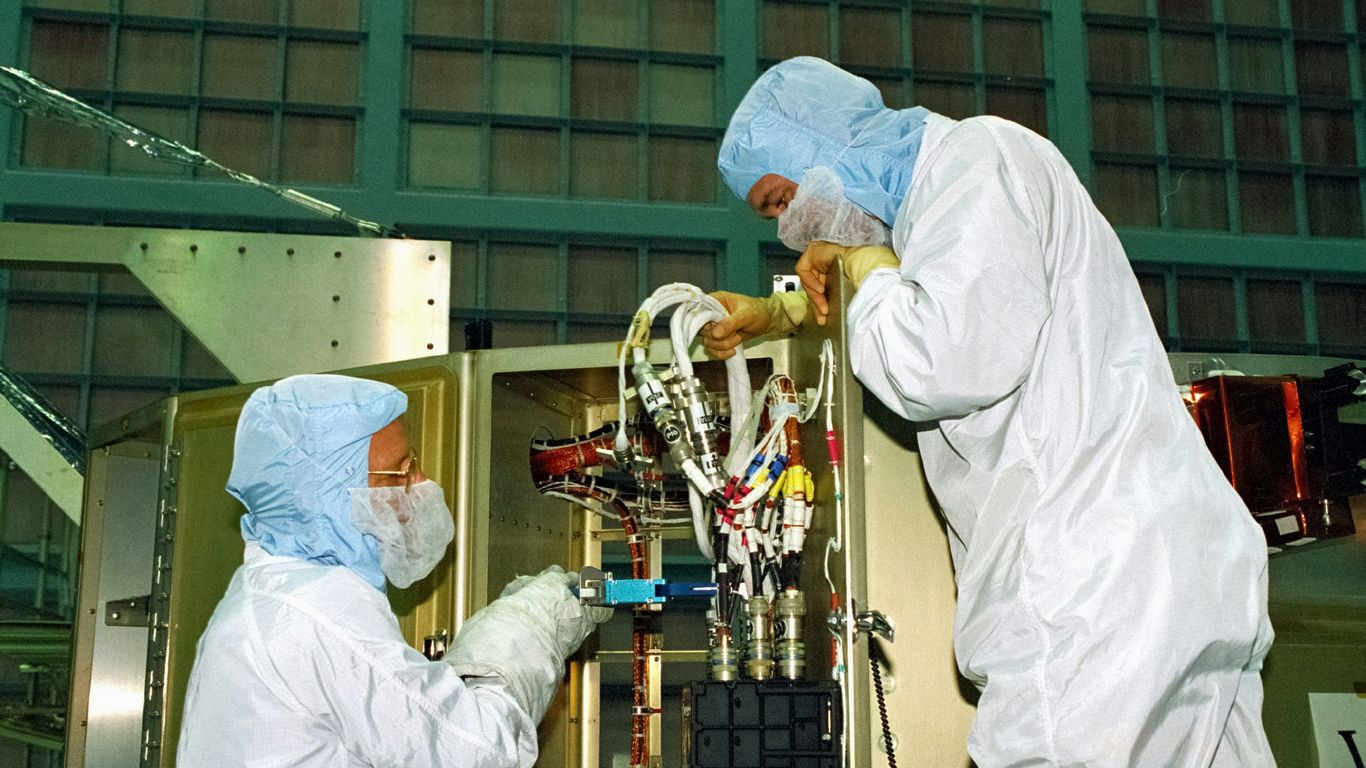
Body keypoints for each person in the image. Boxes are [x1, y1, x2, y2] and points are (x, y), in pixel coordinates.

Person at [706, 57, 1275, 767]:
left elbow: (935, 360)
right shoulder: (962, 191)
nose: (795, 229)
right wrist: (779, 314)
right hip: (1170, 575)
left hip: (1086, 592)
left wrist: (861, 265)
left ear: (831, 146)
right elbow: (951, 288)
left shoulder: (973, 163)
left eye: (784, 198)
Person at [177, 374, 610, 767]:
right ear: (329, 493)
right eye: (399, 471)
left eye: (414, 463)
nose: (418, 484)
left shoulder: (269, 592)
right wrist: (530, 624)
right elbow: (478, 752)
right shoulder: (316, 613)